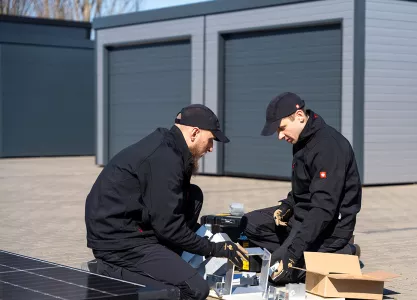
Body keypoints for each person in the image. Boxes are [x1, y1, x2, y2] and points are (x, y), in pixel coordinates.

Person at [85, 104, 248, 300]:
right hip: (119, 242)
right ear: (195, 133)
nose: (211, 149)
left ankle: (165, 263)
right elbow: (169, 228)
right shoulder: (165, 159)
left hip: (136, 228)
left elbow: (171, 215)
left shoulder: (171, 146)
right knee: (196, 289)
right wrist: (215, 249)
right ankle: (111, 271)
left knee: (193, 195)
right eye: (210, 140)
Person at [241, 92, 362, 284]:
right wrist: (287, 206)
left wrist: (291, 254)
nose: (280, 136)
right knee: (248, 223)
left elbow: (323, 210)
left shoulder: (327, 147)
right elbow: (303, 187)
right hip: (301, 218)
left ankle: (344, 254)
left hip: (328, 228)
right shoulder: (301, 141)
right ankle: (298, 252)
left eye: (282, 128)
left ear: (299, 116)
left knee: (277, 273)